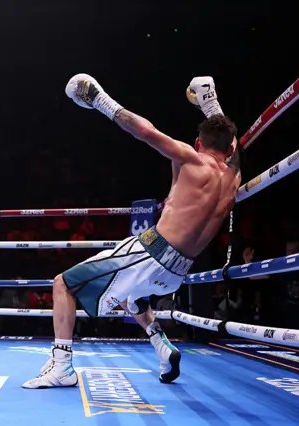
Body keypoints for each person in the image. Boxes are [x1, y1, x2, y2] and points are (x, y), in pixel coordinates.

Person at [22, 75, 241, 388]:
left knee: (63, 284)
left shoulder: (192, 159)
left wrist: (100, 100)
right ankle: (162, 347)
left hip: (153, 252)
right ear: (230, 146)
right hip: (179, 270)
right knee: (130, 295)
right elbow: (234, 147)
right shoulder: (234, 177)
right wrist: (210, 103)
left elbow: (145, 132)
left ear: (198, 143)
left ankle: (63, 366)